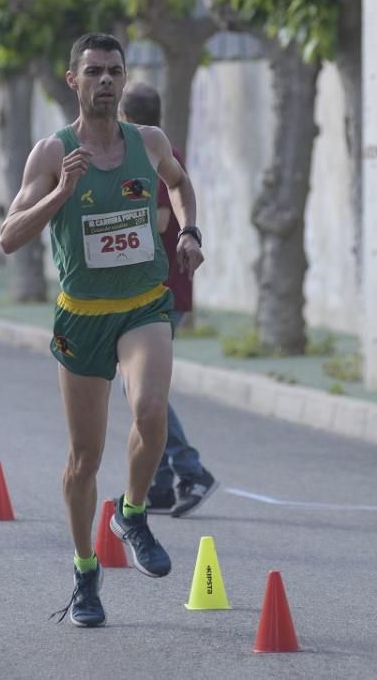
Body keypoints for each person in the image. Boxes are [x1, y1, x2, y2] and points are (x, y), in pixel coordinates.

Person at [0, 33, 204, 627]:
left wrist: (189, 232)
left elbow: (179, 184)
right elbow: (8, 238)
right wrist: (61, 193)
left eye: (115, 70)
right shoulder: (51, 152)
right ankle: (86, 571)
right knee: (84, 458)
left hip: (144, 305)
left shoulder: (149, 141)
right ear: (74, 80)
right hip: (82, 318)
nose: (107, 81)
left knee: (151, 410)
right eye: (94, 72)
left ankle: (133, 513)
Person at [119, 83, 218, 518]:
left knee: (143, 389)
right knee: (143, 388)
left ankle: (190, 469)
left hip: (160, 288)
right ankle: (157, 485)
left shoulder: (154, 153)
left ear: (125, 113)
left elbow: (160, 216)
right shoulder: (137, 150)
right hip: (153, 288)